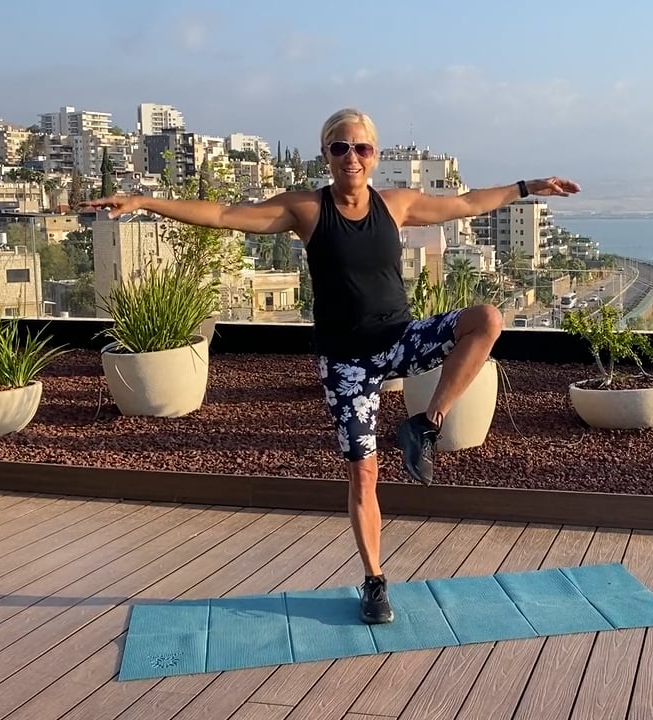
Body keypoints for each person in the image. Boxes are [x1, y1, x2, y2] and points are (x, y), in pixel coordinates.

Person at [81, 108, 580, 624]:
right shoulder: (307, 209)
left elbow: (467, 203)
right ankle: (374, 581)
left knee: (487, 320)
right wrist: (144, 201)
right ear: (326, 154)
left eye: (361, 148)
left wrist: (528, 187)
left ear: (375, 156)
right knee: (364, 472)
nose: (351, 157)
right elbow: (226, 214)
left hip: (399, 340)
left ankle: (425, 425)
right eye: (340, 147)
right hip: (346, 362)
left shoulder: (396, 204)